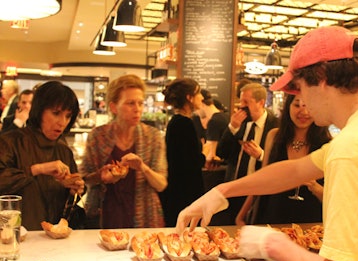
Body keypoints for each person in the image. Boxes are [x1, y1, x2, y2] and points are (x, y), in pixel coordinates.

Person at [176, 26, 358, 261]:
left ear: (322, 77)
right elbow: (296, 170)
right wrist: (223, 191)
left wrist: (276, 245)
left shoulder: (352, 148)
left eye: (300, 88)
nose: (301, 101)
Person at [80, 74, 167, 229]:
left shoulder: (153, 137)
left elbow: (161, 184)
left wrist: (142, 167)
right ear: (114, 107)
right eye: (130, 103)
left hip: (144, 217)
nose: (137, 109)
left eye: (140, 103)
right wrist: (102, 176)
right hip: (105, 215)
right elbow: (84, 178)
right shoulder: (98, 136)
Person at [0, 81, 84, 230]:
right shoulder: (10, 142)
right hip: (14, 237)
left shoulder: (64, 151)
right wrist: (36, 169)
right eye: (56, 113)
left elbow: (68, 204)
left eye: (68, 116)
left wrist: (74, 189)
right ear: (39, 111)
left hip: (55, 237)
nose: (62, 122)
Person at [236, 94, 331, 226]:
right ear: (288, 107)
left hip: (310, 223)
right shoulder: (274, 136)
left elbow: (335, 199)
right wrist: (241, 215)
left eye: (308, 106)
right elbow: (262, 180)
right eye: (297, 105)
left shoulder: (328, 144)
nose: (303, 112)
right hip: (273, 218)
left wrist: (316, 188)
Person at [216, 82, 278, 224]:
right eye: (240, 101)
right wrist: (232, 127)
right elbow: (222, 153)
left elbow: (280, 161)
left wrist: (261, 155)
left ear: (260, 103)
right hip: (235, 188)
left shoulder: (275, 126)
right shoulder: (241, 122)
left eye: (246, 102)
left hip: (258, 192)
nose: (241, 106)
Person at [161, 78, 205, 227]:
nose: (202, 97)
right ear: (189, 97)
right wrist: (203, 157)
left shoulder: (176, 122)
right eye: (198, 93)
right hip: (185, 193)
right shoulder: (184, 124)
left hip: (177, 191)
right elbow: (190, 163)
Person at [198, 89, 229, 169]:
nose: (196, 112)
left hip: (219, 169)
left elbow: (210, 154)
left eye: (196, 108)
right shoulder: (225, 116)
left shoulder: (213, 121)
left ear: (202, 104)